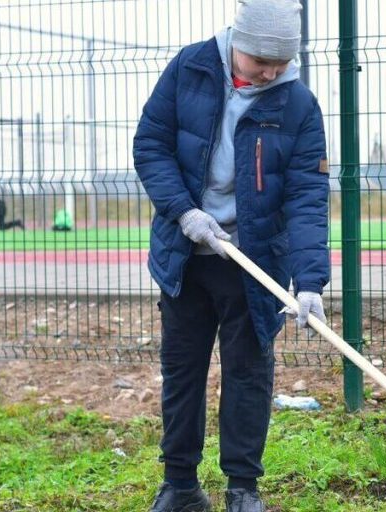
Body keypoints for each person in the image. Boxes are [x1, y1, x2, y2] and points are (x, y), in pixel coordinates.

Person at [132, 1, 329, 511]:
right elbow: (150, 143)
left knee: (248, 372)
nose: (269, 72)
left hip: (255, 259)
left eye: (280, 63)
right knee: (182, 368)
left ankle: (243, 490)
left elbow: (306, 195)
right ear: (237, 41)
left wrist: (310, 282)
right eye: (260, 60)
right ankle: (180, 486)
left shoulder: (297, 105)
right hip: (187, 252)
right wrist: (183, 212)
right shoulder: (191, 67)